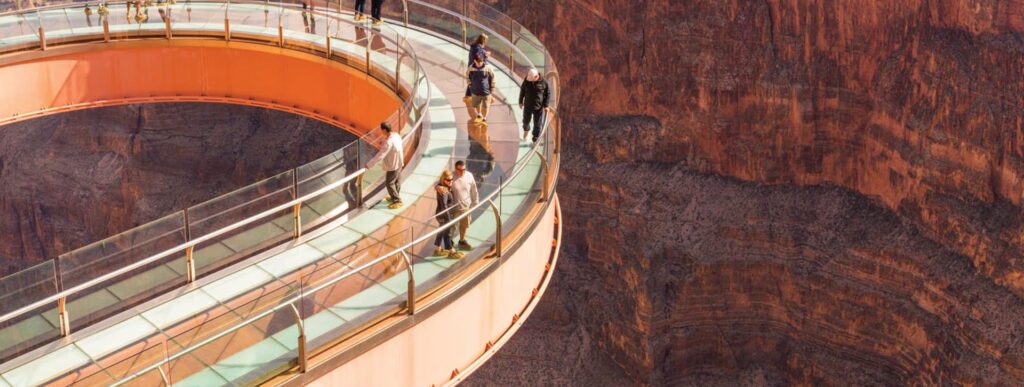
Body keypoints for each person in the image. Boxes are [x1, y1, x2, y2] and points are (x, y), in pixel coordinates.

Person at [365, 122, 404, 209]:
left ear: (384, 130)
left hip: (393, 165)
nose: (381, 132)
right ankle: (395, 196)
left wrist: (369, 164)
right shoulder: (396, 135)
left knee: (389, 183)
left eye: (381, 130)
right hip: (399, 162)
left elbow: (380, 155)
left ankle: (397, 200)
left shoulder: (389, 142)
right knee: (396, 181)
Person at [433, 170, 464, 259]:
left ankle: (438, 248)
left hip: (440, 214)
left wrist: (437, 186)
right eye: (448, 180)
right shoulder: (444, 191)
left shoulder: (444, 187)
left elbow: (437, 183)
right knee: (447, 233)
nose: (450, 181)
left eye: (451, 179)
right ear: (443, 180)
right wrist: (448, 219)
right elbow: (444, 206)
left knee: (442, 231)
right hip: (444, 215)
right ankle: (451, 251)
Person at [451, 160, 478, 251]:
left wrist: (476, 201)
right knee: (453, 226)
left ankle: (462, 240)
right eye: (460, 170)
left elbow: (474, 189)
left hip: (466, 207)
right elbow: (440, 183)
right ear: (456, 169)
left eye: (464, 169)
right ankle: (450, 242)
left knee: (464, 225)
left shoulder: (469, 175)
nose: (462, 172)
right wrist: (438, 187)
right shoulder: (451, 176)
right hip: (454, 208)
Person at [518, 68, 550, 143]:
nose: (530, 81)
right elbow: (522, 90)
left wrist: (546, 105)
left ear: (536, 77)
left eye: (532, 79)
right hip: (527, 105)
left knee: (537, 125)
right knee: (525, 121)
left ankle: (535, 139)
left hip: (538, 107)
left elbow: (547, 94)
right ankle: (526, 130)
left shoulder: (544, 83)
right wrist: (520, 101)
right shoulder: (527, 80)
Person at [466, 54, 496, 123]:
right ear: (474, 61)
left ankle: (484, 117)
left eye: (481, 62)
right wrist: (470, 85)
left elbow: (493, 77)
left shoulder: (488, 68)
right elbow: (467, 76)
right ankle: (479, 113)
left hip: (486, 91)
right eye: (478, 62)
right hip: (475, 91)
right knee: (477, 104)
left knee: (486, 106)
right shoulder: (471, 68)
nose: (480, 63)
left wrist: (493, 87)